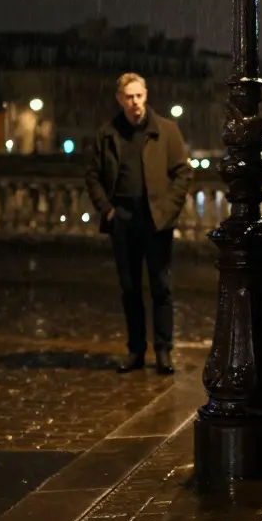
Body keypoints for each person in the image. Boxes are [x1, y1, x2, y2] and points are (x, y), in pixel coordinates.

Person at [85, 73, 193, 374]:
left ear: (146, 95)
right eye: (129, 97)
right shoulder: (108, 134)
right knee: (130, 288)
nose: (135, 103)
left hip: (156, 220)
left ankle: (163, 349)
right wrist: (107, 210)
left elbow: (183, 173)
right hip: (124, 219)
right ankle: (135, 350)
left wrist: (168, 210)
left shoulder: (166, 131)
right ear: (120, 99)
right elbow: (93, 175)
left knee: (161, 286)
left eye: (139, 96)